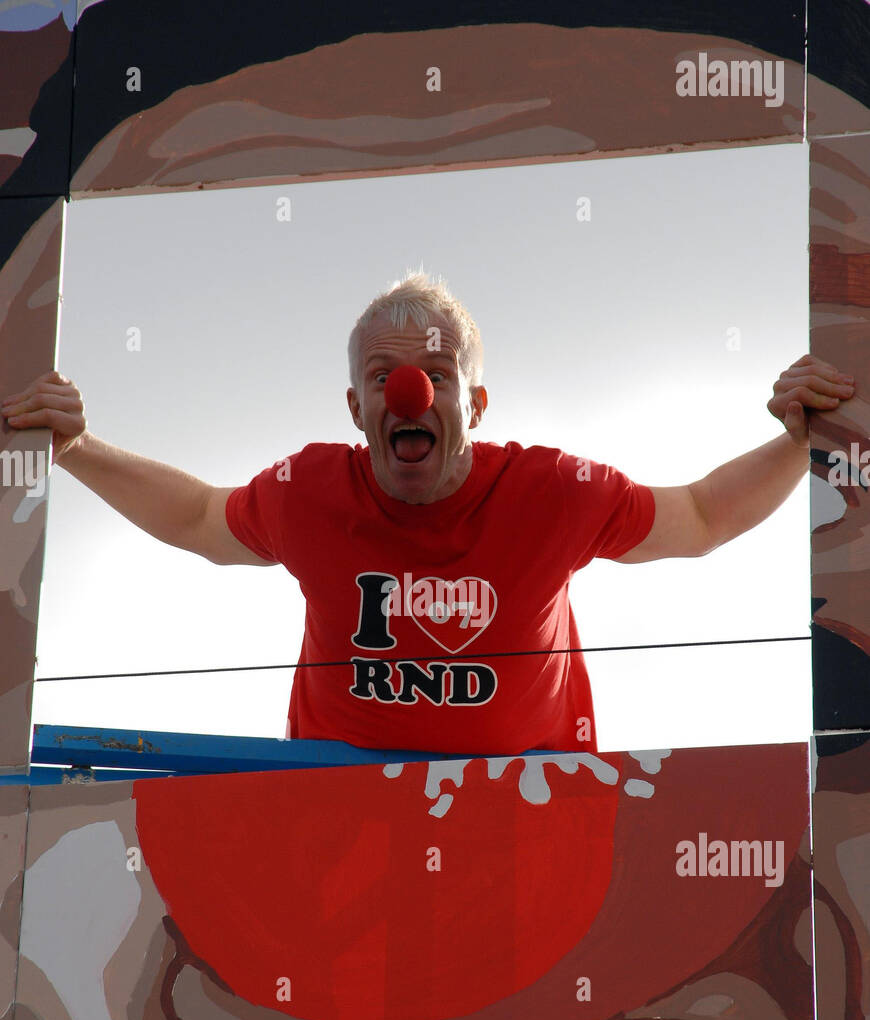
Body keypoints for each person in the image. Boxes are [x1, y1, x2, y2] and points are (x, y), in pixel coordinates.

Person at [1, 272, 854, 754]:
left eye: (435, 377)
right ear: (356, 407)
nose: (409, 391)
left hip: (527, 799)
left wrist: (797, 441)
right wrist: (76, 447)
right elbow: (196, 517)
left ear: (474, 403)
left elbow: (702, 516)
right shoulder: (309, 492)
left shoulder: (551, 491)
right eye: (384, 378)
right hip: (344, 804)